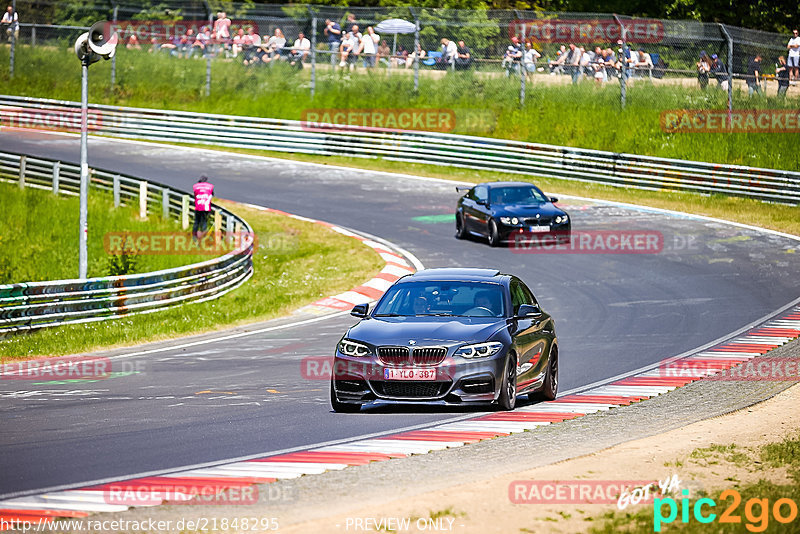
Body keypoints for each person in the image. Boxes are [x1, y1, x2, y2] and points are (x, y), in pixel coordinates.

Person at [192, 176, 214, 242]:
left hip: (198, 205)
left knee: (196, 221)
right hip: (206, 206)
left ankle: (194, 236)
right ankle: (204, 236)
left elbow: (195, 195)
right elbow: (212, 194)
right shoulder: (210, 186)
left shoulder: (196, 186)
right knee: (204, 221)